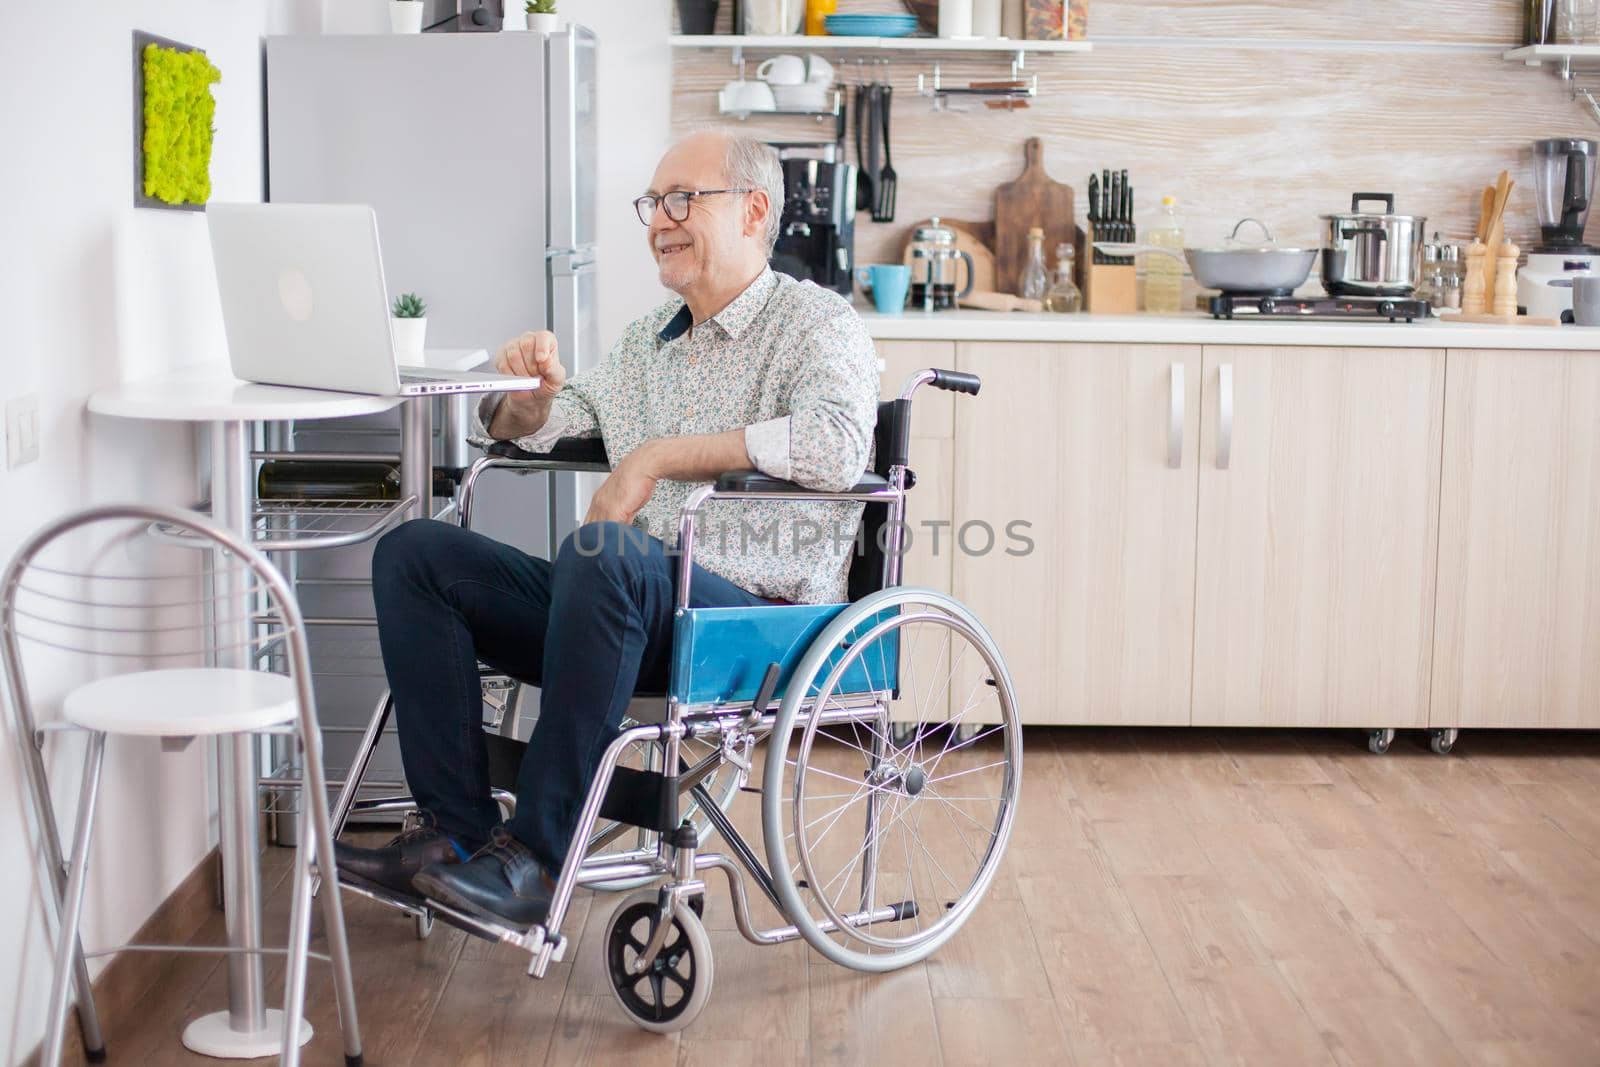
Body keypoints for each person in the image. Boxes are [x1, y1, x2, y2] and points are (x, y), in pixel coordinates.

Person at [334, 131, 879, 928]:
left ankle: (536, 859)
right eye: (654, 203)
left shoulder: (816, 323)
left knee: (605, 549)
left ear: (754, 209)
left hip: (752, 620)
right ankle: (455, 836)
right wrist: (532, 393)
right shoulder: (650, 340)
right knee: (416, 555)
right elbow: (542, 428)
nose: (661, 220)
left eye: (683, 199)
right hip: (623, 604)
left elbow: (835, 441)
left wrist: (657, 458)